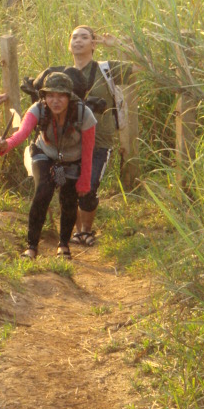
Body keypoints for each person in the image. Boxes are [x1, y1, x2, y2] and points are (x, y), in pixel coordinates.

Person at [0, 72, 96, 259]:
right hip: (45, 155)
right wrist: (6, 144)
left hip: (70, 162)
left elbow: (88, 151)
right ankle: (32, 246)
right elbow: (22, 133)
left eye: (61, 96)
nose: (55, 101)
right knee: (43, 192)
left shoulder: (84, 114)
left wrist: (84, 180)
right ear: (44, 96)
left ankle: (63, 245)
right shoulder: (38, 109)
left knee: (68, 199)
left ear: (69, 97)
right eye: (51, 95)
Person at [68, 25, 140, 247]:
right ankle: (77, 232)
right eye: (74, 37)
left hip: (99, 141)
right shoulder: (64, 74)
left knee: (89, 187)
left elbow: (143, 67)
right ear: (69, 45)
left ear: (93, 44)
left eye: (84, 37)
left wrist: (119, 45)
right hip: (70, 143)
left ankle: (86, 230)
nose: (78, 40)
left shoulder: (107, 70)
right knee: (70, 188)